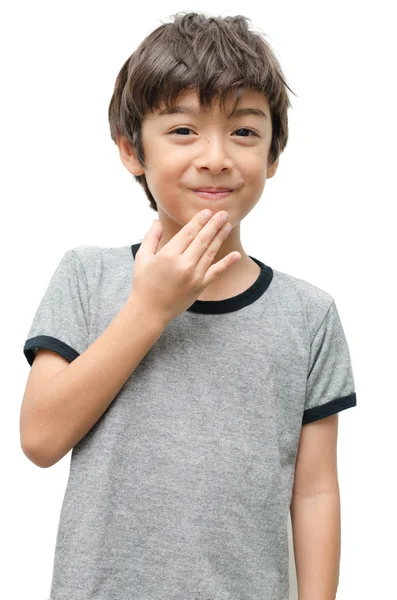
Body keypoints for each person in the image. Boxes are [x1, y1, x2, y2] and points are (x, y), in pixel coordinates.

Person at [20, 11, 357, 600]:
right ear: (131, 150)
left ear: (273, 156)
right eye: (182, 130)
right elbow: (41, 439)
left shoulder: (310, 315)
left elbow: (315, 491)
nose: (216, 156)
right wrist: (149, 309)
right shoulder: (88, 276)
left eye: (245, 132)